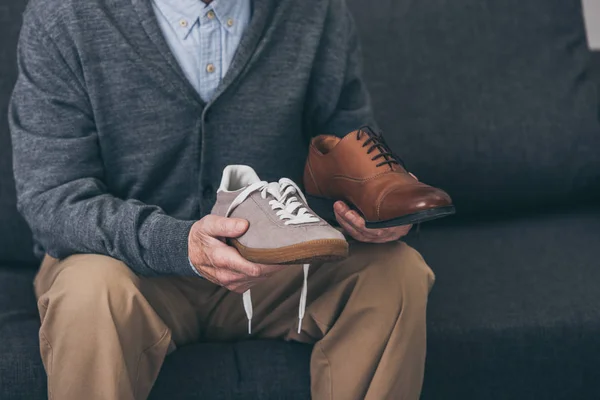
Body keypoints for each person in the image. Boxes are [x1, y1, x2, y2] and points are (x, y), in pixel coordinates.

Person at [9, 0, 435, 398]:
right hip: (127, 270)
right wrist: (180, 245)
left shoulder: (314, 10)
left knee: (396, 273)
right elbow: (52, 197)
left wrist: (375, 210)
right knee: (90, 293)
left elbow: (346, 150)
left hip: (275, 268)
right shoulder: (63, 15)